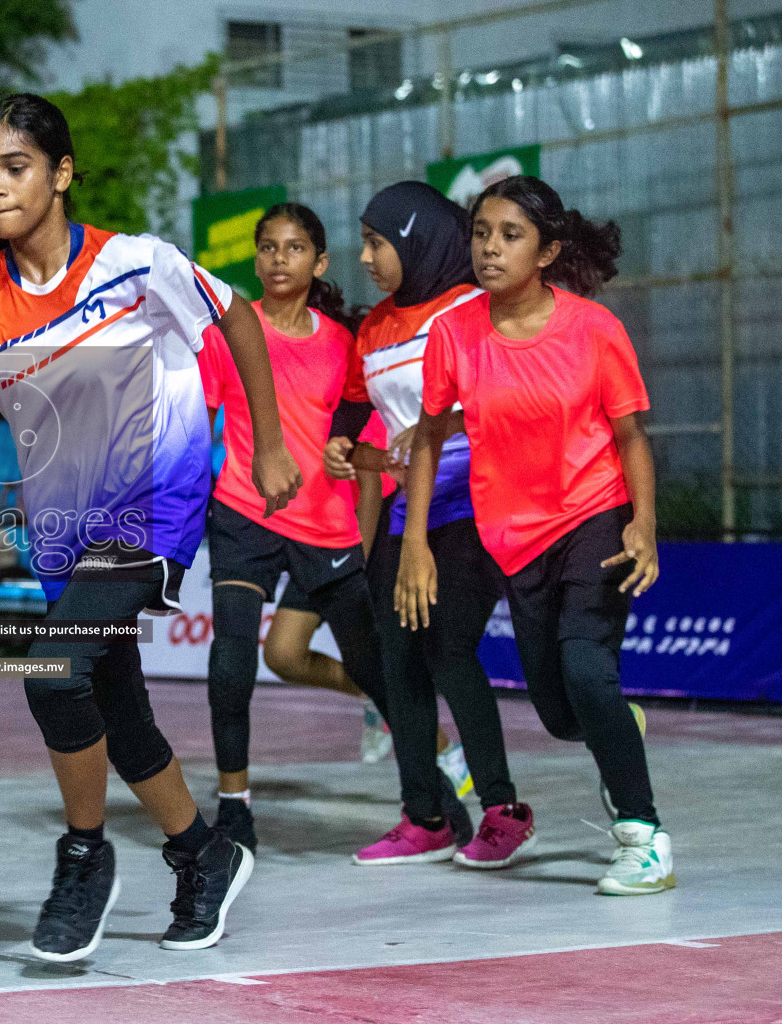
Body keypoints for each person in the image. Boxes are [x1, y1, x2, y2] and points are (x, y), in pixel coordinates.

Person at [0, 94, 303, 961]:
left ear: (62, 173)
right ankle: (205, 853)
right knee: (116, 713)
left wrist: (267, 443)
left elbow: (235, 315)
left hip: (151, 506)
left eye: (14, 168)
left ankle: (83, 859)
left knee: (52, 676)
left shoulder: (135, 264)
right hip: (61, 530)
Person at [397, 175, 670, 896]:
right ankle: (620, 726)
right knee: (558, 713)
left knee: (587, 669)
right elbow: (427, 440)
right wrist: (417, 542)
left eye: (509, 235)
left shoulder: (594, 329)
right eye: (481, 233)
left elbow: (631, 435)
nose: (489, 248)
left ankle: (643, 836)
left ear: (547, 251)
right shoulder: (454, 333)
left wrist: (643, 522)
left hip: (595, 514)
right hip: (513, 537)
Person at [198, 203, 471, 855]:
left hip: (328, 527)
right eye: (267, 247)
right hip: (244, 511)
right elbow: (195, 424)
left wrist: (371, 544)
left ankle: (437, 773)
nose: (277, 259)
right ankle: (234, 805)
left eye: (294, 249)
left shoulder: (345, 346)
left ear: (318, 263)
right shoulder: (227, 333)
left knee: (362, 669)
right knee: (235, 660)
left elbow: (367, 460)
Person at [322, 181, 524, 869]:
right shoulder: (373, 329)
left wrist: (436, 427)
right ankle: (426, 817)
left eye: (379, 242)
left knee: (446, 648)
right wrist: (342, 445)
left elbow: (510, 401)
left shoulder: (477, 309)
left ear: (418, 239)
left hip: (476, 506)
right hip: (407, 512)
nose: (367, 255)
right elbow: (354, 408)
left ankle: (502, 809)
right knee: (396, 662)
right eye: (367, 241)